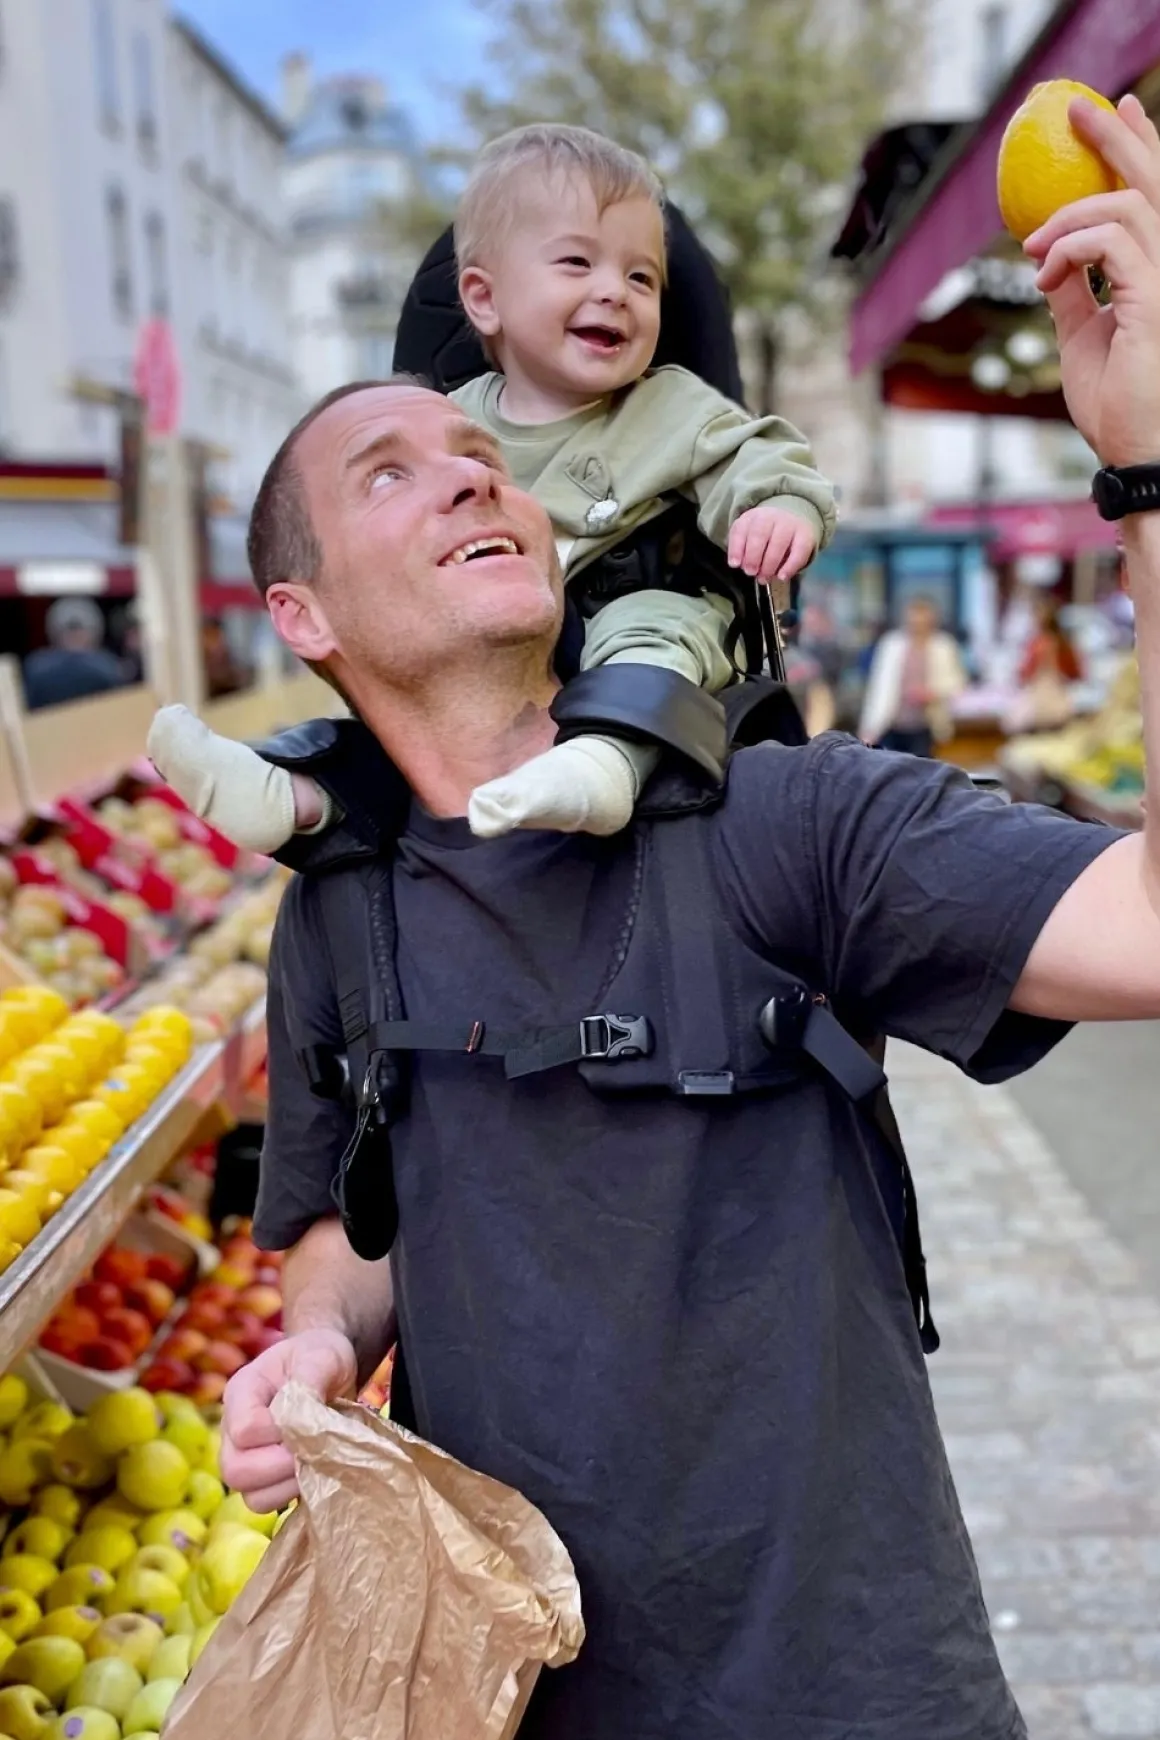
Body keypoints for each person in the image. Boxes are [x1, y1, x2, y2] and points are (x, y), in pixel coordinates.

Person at [220, 93, 1160, 1740]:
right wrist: (313, 1349)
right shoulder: (341, 910)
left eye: (486, 462)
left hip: (856, 1701)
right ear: (302, 614)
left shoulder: (791, 824)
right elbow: (355, 1230)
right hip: (518, 1696)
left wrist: (1149, 465)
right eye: (395, 471)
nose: (473, 480)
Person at [148, 124, 835, 852]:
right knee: (419, 683)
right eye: (577, 263)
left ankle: (607, 761)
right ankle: (303, 796)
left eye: (642, 279)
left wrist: (777, 508)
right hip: (501, 648)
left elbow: (760, 455)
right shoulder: (448, 421)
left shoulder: (671, 406)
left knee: (652, 628)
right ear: (483, 298)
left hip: (641, 613)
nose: (615, 291)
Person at [858, 592, 967, 755]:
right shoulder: (891, 644)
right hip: (892, 723)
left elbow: (957, 684)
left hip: (927, 725)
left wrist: (930, 693)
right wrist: (869, 727)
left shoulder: (944, 646)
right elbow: (879, 687)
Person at [22, 597, 127, 711]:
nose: (75, 636)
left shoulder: (36, 667)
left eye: (79, 632)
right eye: (70, 632)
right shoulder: (108, 665)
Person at [1005, 593, 1083, 733]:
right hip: (1060, 705)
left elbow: (1025, 675)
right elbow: (1077, 674)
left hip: (1041, 706)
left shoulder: (1038, 644)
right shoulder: (1064, 643)